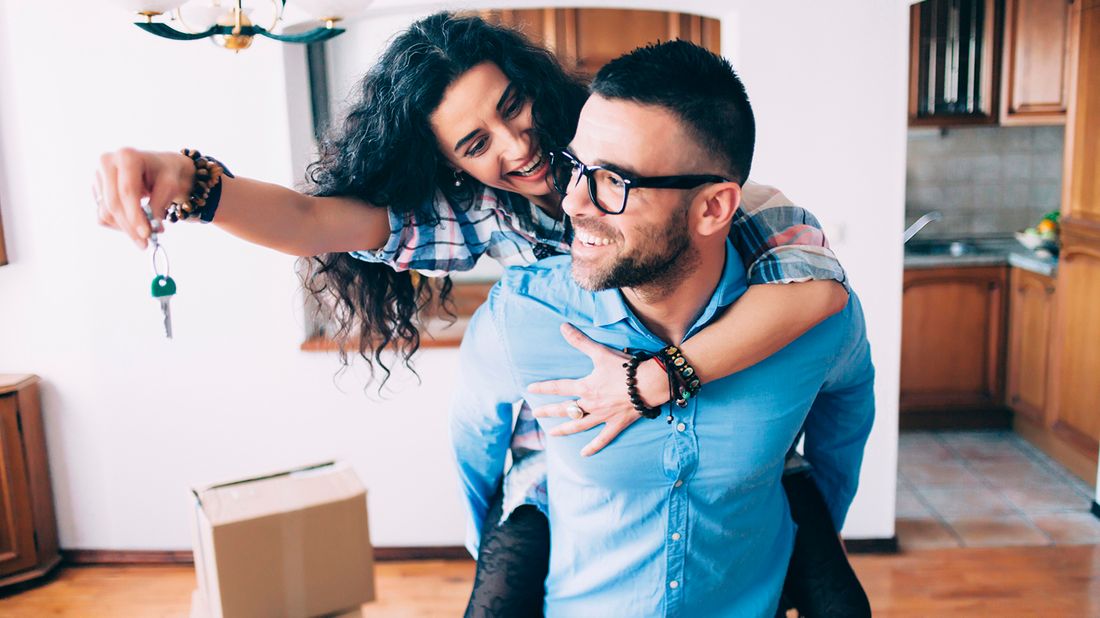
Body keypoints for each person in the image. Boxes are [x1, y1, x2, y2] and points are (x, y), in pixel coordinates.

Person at [92, 12, 861, 615]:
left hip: (727, 433)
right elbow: (308, 218)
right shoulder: (485, 223)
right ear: (452, 166)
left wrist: (657, 380)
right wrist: (194, 185)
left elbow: (822, 295)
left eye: (514, 106)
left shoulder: (710, 191)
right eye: (475, 142)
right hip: (554, 457)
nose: (518, 142)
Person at [451, 39, 875, 617]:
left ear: (713, 208)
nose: (572, 202)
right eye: (575, 167)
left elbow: (846, 412)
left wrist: (817, 534)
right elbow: (478, 462)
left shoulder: (815, 320)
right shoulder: (521, 321)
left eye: (613, 182)